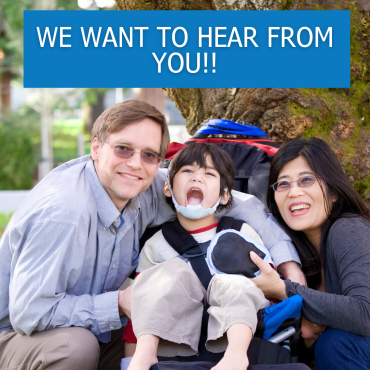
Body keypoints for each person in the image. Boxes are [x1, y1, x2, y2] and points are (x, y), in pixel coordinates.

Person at [0, 100, 303, 370]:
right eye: (123, 148)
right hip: (19, 336)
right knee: (75, 348)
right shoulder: (64, 214)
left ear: (160, 163)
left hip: (99, 328)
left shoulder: (143, 187)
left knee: (180, 337)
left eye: (149, 155)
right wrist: (119, 303)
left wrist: (289, 268)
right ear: (95, 147)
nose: (135, 163)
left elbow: (240, 203)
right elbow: (31, 313)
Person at [128, 143, 276, 370]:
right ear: (167, 187)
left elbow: (267, 286)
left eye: (208, 173)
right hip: (172, 342)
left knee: (234, 281)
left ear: (225, 195)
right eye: (187, 171)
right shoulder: (156, 243)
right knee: (165, 275)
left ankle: (236, 356)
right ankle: (144, 354)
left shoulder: (240, 233)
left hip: (233, 335)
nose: (196, 179)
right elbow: (141, 303)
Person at [248, 137, 370, 370]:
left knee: (335, 344)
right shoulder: (296, 254)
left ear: (334, 192)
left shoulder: (349, 228)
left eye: (306, 180)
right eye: (283, 184)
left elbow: (364, 314)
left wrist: (283, 290)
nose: (294, 192)